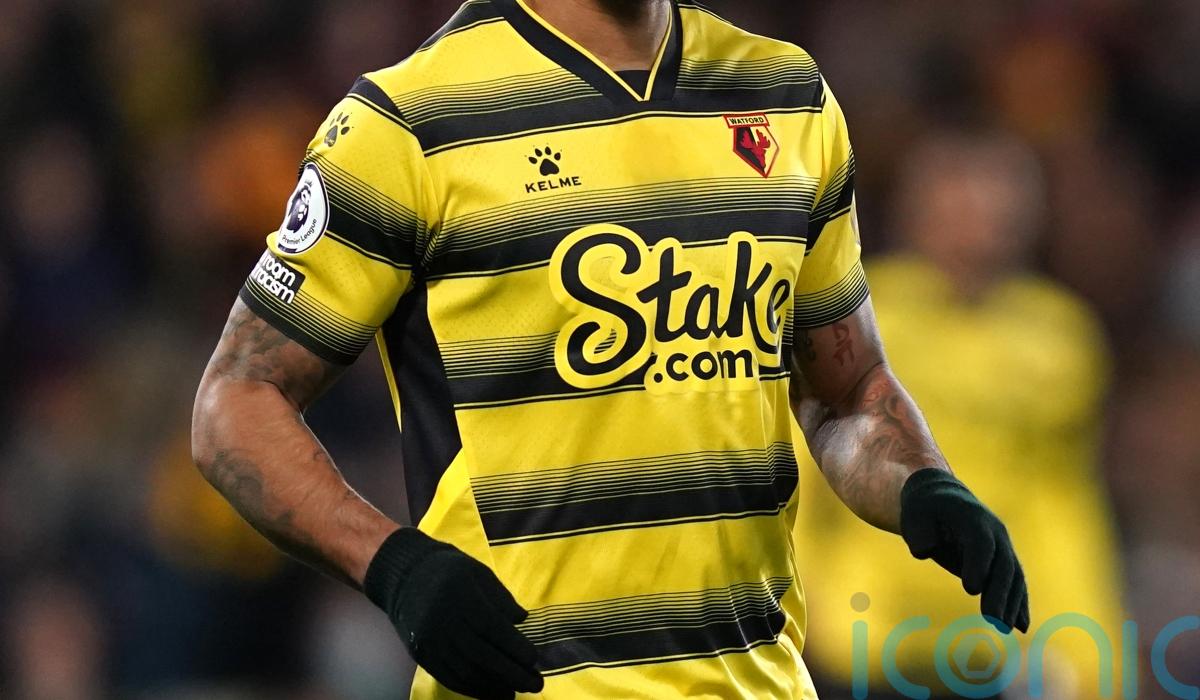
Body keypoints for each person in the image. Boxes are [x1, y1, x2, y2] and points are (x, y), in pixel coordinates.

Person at [191, 1, 1029, 698]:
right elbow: (235, 402)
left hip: (760, 682)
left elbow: (844, 393)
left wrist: (921, 485)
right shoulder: (410, 120)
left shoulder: (786, 96)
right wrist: (393, 566)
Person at [793, 131, 1124, 698]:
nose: (976, 228)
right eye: (958, 207)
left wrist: (1092, 644)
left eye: (995, 209)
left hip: (1000, 648)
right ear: (916, 210)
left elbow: (1062, 500)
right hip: (862, 634)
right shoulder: (859, 315)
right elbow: (800, 472)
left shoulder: (1060, 339)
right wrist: (799, 608)